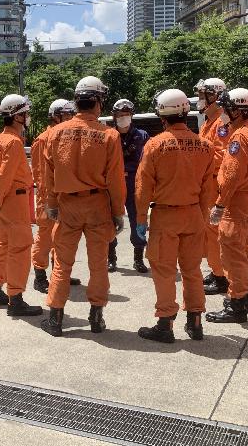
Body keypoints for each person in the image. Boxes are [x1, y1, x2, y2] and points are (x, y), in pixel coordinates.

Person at [40, 76, 126, 337]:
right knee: (98, 264)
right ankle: (96, 318)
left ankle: (55, 319)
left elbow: (48, 177)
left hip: (67, 206)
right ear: (98, 102)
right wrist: (117, 212)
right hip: (98, 204)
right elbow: (115, 180)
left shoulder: (54, 133)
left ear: (77, 101)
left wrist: (51, 206)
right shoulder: (108, 135)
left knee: (62, 264)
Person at [135, 89, 215, 343]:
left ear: (162, 116)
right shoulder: (205, 145)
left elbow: (142, 187)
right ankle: (195, 322)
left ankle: (165, 323)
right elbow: (209, 189)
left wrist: (140, 220)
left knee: (165, 271)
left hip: (165, 216)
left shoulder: (155, 145)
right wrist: (202, 217)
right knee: (192, 270)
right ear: (185, 112)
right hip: (193, 214)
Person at [206, 88, 248, 323]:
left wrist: (220, 205)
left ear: (235, 109)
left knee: (233, 255)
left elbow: (231, 175)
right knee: (247, 250)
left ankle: (236, 305)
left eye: (226, 108)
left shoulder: (240, 137)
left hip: (237, 201)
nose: (224, 112)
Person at [0, 94, 43, 317]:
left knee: (3, 245)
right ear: (16, 116)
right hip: (15, 199)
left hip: (8, 200)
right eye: (25, 113)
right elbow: (5, 175)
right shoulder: (14, 142)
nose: (28, 117)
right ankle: (15, 299)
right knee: (19, 248)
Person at [32, 99, 81, 293]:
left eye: (71, 115)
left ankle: (59, 274)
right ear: (55, 116)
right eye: (66, 115)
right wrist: (49, 199)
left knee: (61, 238)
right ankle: (40, 277)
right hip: (47, 197)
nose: (69, 119)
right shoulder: (43, 139)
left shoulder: (66, 136)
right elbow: (39, 173)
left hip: (64, 196)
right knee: (45, 238)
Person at [194, 78, 232, 295]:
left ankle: (222, 277)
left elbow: (220, 154)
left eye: (203, 96)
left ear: (215, 97)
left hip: (214, 183)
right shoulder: (209, 122)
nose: (200, 100)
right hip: (206, 184)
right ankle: (216, 271)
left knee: (215, 233)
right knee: (208, 233)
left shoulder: (221, 122)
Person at [107, 99, 150, 274]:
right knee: (109, 221)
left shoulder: (142, 135)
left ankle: (138, 259)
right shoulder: (109, 135)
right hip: (113, 183)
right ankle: (111, 258)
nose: (123, 118)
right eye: (120, 115)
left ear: (131, 116)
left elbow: (149, 162)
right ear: (114, 117)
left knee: (138, 220)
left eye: (126, 115)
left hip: (135, 183)